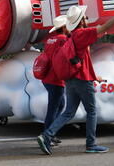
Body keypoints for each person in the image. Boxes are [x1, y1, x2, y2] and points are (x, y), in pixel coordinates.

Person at [37, 4, 114, 155]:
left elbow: (82, 61)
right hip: (82, 80)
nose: (87, 19)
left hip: (70, 80)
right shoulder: (82, 33)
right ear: (80, 21)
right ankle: (91, 144)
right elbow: (105, 26)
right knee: (92, 111)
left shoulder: (72, 36)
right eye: (85, 17)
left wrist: (95, 77)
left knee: (68, 112)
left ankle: (46, 135)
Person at [40, 15, 68, 146]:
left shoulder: (50, 39)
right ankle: (47, 135)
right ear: (63, 27)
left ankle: (51, 132)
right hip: (56, 79)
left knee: (59, 105)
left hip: (46, 77)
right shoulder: (63, 40)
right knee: (54, 108)